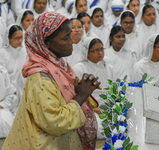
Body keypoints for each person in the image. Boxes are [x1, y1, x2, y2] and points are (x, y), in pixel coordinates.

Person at [2, 11, 101, 150]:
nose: (71, 41)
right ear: (46, 43)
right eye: (66, 38)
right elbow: (55, 122)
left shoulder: (59, 66)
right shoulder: (40, 77)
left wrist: (79, 90)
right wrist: (81, 95)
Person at [73, 36, 113, 139]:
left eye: (101, 49)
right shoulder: (80, 68)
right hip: (89, 110)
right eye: (95, 50)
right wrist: (94, 109)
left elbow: (113, 90)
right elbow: (77, 94)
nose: (100, 53)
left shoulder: (108, 67)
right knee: (98, 129)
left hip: (107, 109)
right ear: (87, 52)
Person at [0, 25, 27, 114]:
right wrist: (13, 90)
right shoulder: (3, 53)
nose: (20, 40)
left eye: (21, 37)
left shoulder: (24, 51)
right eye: (17, 38)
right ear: (9, 38)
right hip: (7, 92)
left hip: (22, 90)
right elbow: (3, 76)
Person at [0, 65, 17, 138]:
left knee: (5, 122)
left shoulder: (3, 72)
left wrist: (2, 105)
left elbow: (9, 95)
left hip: (1, 107)